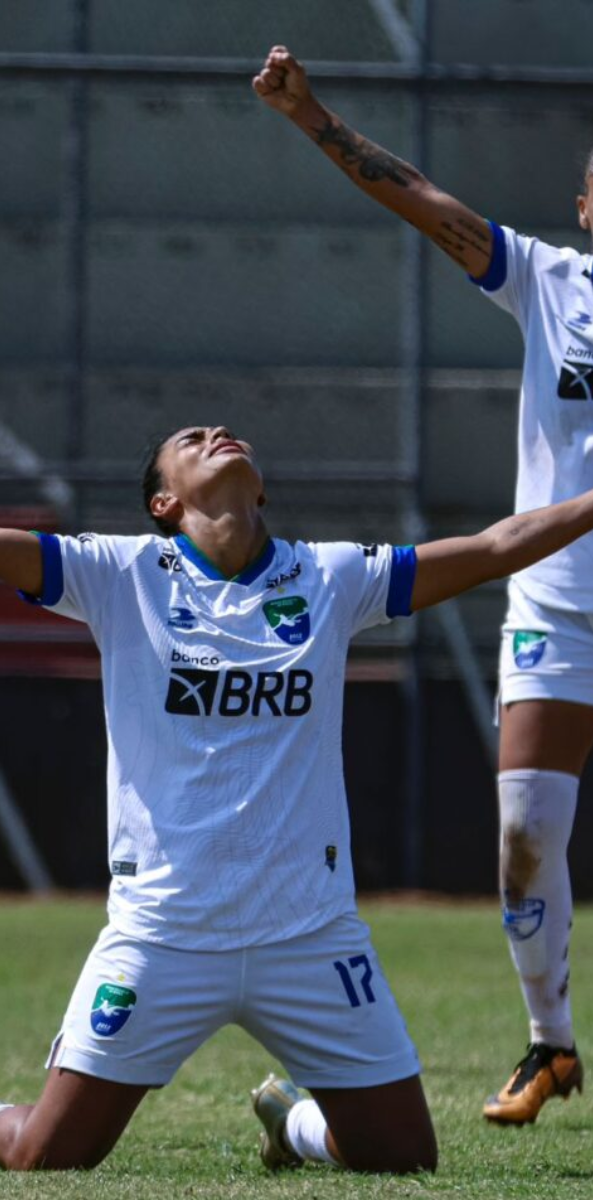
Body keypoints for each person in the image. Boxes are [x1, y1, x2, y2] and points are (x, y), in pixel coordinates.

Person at [0, 376, 593, 1173]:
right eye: (190, 439)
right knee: (49, 1154)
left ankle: (293, 1123)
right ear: (163, 504)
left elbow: (497, 548)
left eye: (221, 432)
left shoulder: (329, 577)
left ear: (261, 487)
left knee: (402, 1158)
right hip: (166, 934)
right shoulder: (120, 576)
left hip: (308, 934)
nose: (216, 430)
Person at [253, 45, 588, 1125]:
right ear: (586, 201)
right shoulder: (550, 281)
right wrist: (313, 118)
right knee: (523, 841)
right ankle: (551, 1047)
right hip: (559, 605)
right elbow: (419, 200)